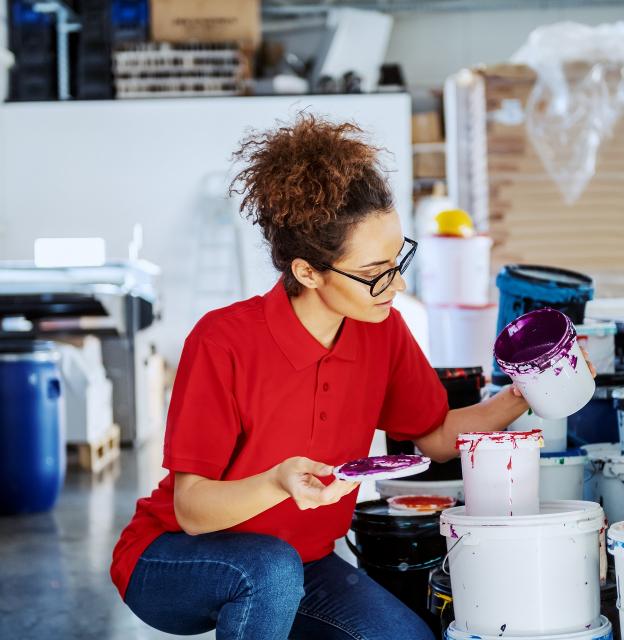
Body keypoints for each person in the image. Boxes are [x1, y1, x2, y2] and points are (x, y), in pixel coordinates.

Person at [110, 115, 589, 640]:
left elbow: (431, 435)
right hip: (174, 558)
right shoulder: (223, 341)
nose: (397, 283)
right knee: (267, 571)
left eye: (398, 259)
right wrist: (276, 483)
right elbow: (193, 508)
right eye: (373, 273)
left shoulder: (381, 330)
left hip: (303, 562)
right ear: (307, 272)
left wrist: (525, 391)